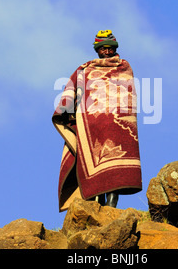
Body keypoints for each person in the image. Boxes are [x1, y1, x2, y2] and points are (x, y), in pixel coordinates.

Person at [52, 30, 142, 211]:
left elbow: (127, 94)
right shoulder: (85, 69)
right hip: (94, 124)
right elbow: (73, 89)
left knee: (116, 166)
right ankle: (97, 207)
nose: (107, 52)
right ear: (97, 50)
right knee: (93, 160)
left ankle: (110, 208)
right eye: (103, 49)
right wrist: (69, 110)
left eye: (110, 48)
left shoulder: (123, 67)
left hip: (118, 126)